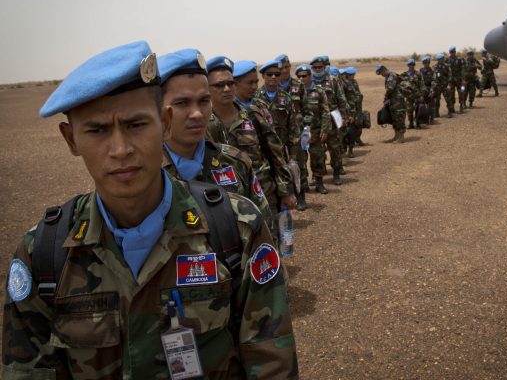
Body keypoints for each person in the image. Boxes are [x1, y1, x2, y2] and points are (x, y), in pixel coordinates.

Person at [2, 41, 297, 379]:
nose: (120, 149)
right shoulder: (43, 254)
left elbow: (271, 360)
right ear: (71, 140)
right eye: (96, 130)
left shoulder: (236, 228)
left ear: (165, 123)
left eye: (136, 124)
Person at [158, 48, 275, 232]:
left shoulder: (236, 162)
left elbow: (264, 232)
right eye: (182, 103)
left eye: (204, 101)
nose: (197, 114)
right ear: (159, 109)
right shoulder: (144, 174)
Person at [206, 58, 296, 220]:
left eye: (230, 83)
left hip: (263, 195)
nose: (226, 89)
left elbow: (276, 154)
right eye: (219, 85)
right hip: (224, 203)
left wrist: (285, 192)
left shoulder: (254, 115)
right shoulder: (202, 124)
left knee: (270, 242)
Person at [276, 54, 309, 210]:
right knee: (281, 167)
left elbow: (307, 109)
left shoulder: (298, 85)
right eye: (280, 68)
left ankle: (301, 196)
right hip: (278, 137)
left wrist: (306, 129)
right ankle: (287, 196)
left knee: (299, 166)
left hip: (297, 134)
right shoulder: (272, 87)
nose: (283, 71)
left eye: (286, 67)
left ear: (290, 67)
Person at [309, 56, 348, 186]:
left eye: (320, 67)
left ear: (325, 67)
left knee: (335, 147)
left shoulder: (333, 80)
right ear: (312, 68)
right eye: (315, 67)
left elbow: (341, 99)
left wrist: (344, 117)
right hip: (315, 121)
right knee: (315, 150)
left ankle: (336, 173)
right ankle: (316, 175)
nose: (318, 69)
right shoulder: (309, 82)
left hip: (333, 116)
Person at [295, 64, 332, 194]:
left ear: (310, 76)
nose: (301, 78)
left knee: (318, 157)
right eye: (298, 76)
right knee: (301, 160)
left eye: (304, 76)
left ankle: (319, 183)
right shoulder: (294, 93)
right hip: (299, 132)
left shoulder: (319, 91)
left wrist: (325, 129)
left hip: (315, 131)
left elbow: (326, 111)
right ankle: (303, 185)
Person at [376, 64, 407, 143]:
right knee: (394, 119)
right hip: (393, 101)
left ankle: (401, 138)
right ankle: (396, 136)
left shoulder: (391, 76)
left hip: (398, 101)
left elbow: (390, 88)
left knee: (399, 118)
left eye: (381, 73)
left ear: (384, 70)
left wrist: (386, 98)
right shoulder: (388, 76)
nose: (381, 75)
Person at [338, 66, 362, 157]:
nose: (343, 76)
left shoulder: (349, 83)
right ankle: (343, 151)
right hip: (342, 112)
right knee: (342, 133)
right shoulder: (339, 85)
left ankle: (350, 150)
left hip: (351, 111)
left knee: (352, 131)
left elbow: (355, 96)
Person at [400, 58, 426, 129]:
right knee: (409, 110)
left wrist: (422, 95)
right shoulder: (404, 74)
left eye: (412, 64)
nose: (411, 66)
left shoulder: (418, 74)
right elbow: (399, 83)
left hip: (417, 95)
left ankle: (418, 123)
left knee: (418, 110)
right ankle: (411, 123)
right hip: (408, 96)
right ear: (407, 65)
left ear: (414, 65)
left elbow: (422, 85)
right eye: (409, 64)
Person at [433, 52, 453, 118]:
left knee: (448, 99)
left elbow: (450, 76)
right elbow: (433, 77)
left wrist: (449, 84)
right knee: (437, 100)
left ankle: (450, 112)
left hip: (445, 85)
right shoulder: (434, 67)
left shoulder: (447, 66)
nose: (440, 60)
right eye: (439, 59)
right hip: (437, 86)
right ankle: (436, 113)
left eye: (441, 59)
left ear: (443, 59)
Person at [446, 46, 465, 113]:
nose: (452, 53)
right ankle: (452, 107)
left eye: (453, 52)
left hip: (459, 80)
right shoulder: (447, 60)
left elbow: (462, 70)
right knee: (451, 94)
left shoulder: (459, 59)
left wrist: (463, 79)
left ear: (455, 52)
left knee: (461, 92)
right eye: (450, 52)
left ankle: (461, 106)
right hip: (451, 80)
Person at [419, 56, 437, 124]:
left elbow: (434, 81)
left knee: (431, 105)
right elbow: (419, 81)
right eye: (424, 63)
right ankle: (423, 119)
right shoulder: (421, 70)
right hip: (423, 90)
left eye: (427, 62)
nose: (425, 64)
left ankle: (431, 119)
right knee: (422, 104)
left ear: (429, 63)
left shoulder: (432, 71)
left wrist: (432, 91)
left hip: (430, 89)